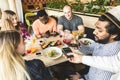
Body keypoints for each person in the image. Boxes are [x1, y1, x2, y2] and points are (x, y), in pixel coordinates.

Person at [66, 6, 120, 80]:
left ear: (114, 35)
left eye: (100, 31)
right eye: (96, 28)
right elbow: (89, 49)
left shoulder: (112, 59)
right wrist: (78, 44)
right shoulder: (103, 41)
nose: (94, 32)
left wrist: (79, 79)